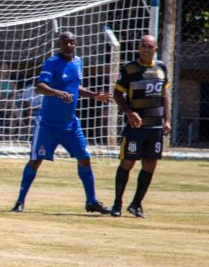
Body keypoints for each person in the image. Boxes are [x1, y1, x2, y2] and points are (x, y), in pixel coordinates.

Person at [11, 31, 112, 214]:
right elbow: (40, 87)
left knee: (84, 158)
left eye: (72, 42)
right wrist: (58, 93)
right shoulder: (52, 63)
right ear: (60, 44)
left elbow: (75, 87)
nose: (69, 45)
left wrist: (94, 95)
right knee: (35, 160)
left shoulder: (78, 62)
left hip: (70, 124)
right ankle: (19, 201)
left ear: (76, 43)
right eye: (66, 42)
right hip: (48, 123)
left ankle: (91, 201)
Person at [110, 35, 171, 218]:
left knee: (150, 164)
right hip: (135, 128)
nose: (146, 49)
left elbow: (164, 95)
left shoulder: (161, 68)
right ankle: (117, 204)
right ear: (138, 48)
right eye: (143, 46)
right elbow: (117, 94)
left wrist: (167, 120)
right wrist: (129, 112)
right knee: (128, 162)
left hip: (155, 129)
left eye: (149, 46)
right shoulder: (129, 69)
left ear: (155, 48)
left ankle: (136, 204)